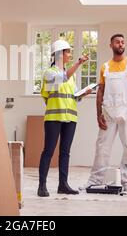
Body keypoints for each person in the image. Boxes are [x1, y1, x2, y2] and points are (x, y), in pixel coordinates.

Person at [84, 34, 127, 193]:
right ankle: (95, 180)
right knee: (102, 147)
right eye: (117, 42)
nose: (121, 44)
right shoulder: (105, 67)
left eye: (123, 42)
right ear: (111, 45)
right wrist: (98, 114)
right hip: (109, 112)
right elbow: (100, 91)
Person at [38, 39, 92, 197]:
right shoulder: (50, 73)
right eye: (67, 51)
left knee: (65, 152)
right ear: (59, 54)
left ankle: (63, 185)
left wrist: (84, 93)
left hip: (70, 118)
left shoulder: (71, 76)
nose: (69, 54)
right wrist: (78, 64)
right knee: (48, 151)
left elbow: (74, 96)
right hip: (54, 117)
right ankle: (42, 186)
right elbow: (62, 78)